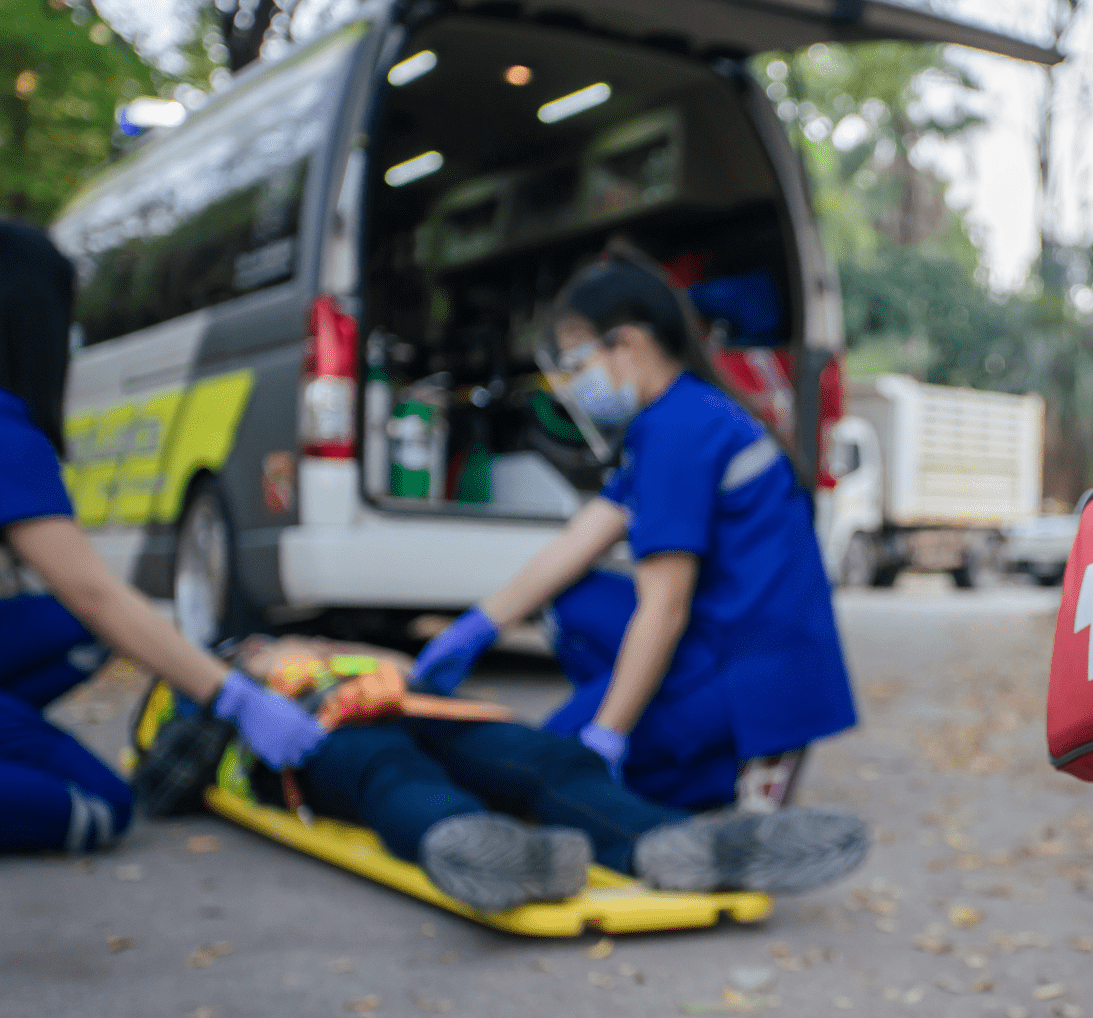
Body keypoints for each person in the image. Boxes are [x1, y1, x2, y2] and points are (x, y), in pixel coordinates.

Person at [410, 254, 857, 812]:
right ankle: (679, 749)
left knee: (548, 766)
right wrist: (477, 626)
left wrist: (606, 733)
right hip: (731, 641)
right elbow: (577, 542)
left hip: (747, 668)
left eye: (577, 362)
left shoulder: (679, 431)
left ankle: (720, 763)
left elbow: (664, 608)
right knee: (570, 599)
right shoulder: (679, 415)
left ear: (629, 344)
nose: (571, 383)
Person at [0, 220, 327, 854]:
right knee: (98, 807)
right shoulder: (6, 433)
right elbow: (92, 593)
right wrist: (231, 696)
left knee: (76, 631)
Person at [218, 636, 867, 912]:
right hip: (313, 738)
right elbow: (169, 766)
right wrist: (240, 699)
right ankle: (485, 849)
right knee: (391, 771)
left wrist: (385, 666)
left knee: (550, 761)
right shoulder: (228, 679)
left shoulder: (340, 652)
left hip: (420, 704)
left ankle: (677, 845)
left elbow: (416, 673)